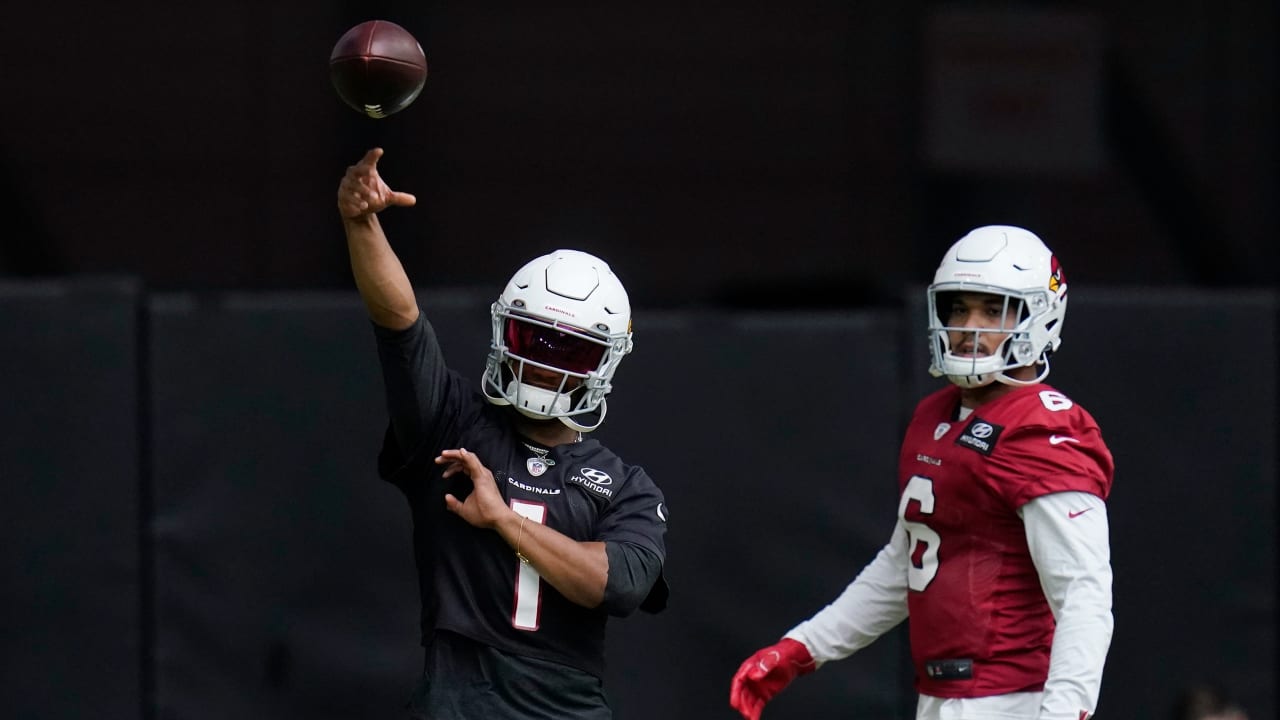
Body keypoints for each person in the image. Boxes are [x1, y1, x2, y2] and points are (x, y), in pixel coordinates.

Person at [729, 225, 1115, 720]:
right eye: (959, 307)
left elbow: (1083, 592)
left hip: (1015, 702)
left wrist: (1065, 714)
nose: (969, 326)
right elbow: (908, 561)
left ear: (1039, 316)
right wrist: (805, 646)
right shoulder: (935, 415)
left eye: (993, 309)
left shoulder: (1042, 427)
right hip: (939, 697)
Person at [337, 147, 670, 720]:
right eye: (531, 338)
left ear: (604, 363)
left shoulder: (627, 487)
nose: (546, 363)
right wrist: (360, 221)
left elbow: (616, 586)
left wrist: (504, 520)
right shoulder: (454, 421)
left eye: (571, 349)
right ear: (502, 331)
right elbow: (399, 322)